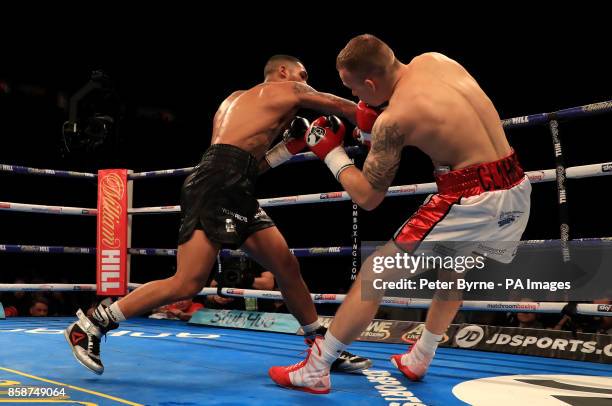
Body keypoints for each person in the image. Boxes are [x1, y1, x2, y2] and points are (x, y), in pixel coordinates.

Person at [64, 54, 371, 375]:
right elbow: (334, 104)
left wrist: (287, 148)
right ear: (283, 72)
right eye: (302, 74)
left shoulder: (237, 103)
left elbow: (249, 167)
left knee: (286, 266)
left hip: (229, 183)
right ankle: (91, 325)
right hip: (219, 183)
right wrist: (373, 122)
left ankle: (321, 346)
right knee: (187, 281)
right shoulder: (287, 89)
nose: (304, 82)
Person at [269, 34, 531, 394]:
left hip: (472, 198)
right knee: (453, 270)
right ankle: (420, 356)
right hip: (517, 185)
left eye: (355, 90)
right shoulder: (436, 59)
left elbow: (369, 197)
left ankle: (316, 369)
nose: (358, 100)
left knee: (374, 274)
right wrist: (371, 128)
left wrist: (330, 152)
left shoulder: (395, 119)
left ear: (371, 82)